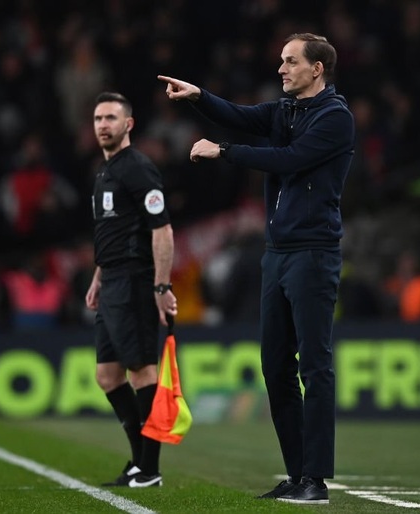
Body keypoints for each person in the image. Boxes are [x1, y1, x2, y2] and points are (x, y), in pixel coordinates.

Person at [159, 32, 354, 504]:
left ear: (317, 70)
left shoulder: (335, 118)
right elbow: (240, 116)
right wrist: (199, 97)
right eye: (282, 61)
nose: (282, 69)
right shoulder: (285, 111)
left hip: (313, 252)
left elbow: (290, 160)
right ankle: (296, 474)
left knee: (316, 365)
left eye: (291, 62)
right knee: (275, 366)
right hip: (278, 252)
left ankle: (317, 479)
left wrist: (223, 151)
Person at [85, 92, 178, 488]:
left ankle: (150, 468)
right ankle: (139, 462)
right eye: (97, 118)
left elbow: (163, 230)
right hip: (112, 281)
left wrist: (160, 285)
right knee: (108, 375)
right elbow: (113, 232)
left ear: (129, 124)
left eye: (110, 118)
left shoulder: (138, 168)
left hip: (137, 280)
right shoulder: (104, 172)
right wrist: (98, 276)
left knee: (142, 370)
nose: (103, 124)